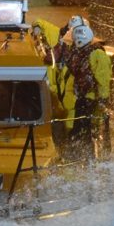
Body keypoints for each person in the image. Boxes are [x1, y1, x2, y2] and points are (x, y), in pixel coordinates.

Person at [62, 16, 112, 162]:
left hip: (92, 100)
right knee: (82, 132)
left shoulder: (96, 54)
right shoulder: (82, 54)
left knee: (88, 131)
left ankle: (88, 159)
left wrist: (102, 100)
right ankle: (82, 158)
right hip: (84, 98)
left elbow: (103, 79)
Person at [31, 18, 77, 148]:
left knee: (69, 123)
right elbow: (39, 22)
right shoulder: (59, 38)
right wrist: (37, 28)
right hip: (56, 91)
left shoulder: (81, 54)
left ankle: (66, 141)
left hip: (67, 96)